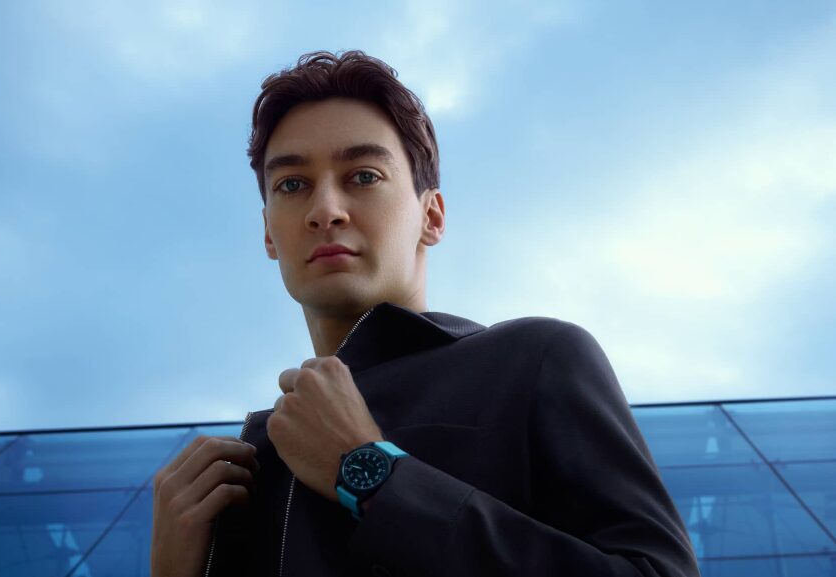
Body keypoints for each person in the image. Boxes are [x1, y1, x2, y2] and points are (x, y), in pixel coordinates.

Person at [150, 49, 701, 577]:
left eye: (364, 175)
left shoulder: (532, 360)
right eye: (292, 185)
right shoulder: (242, 470)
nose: (325, 210)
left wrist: (369, 472)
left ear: (431, 216)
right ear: (269, 233)